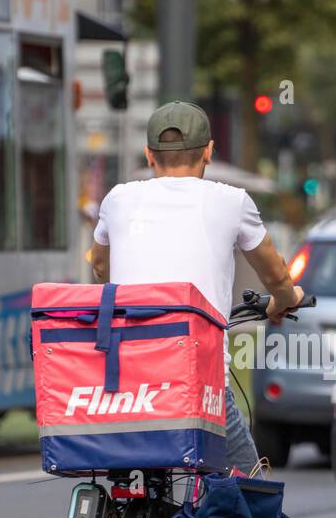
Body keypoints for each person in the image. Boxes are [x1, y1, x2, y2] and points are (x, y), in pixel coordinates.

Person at [89, 101, 303, 473]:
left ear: (148, 155)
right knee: (252, 485)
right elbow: (276, 276)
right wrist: (286, 299)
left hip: (126, 384)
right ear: (209, 151)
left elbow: (99, 265)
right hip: (198, 384)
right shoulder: (232, 201)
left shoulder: (118, 198)